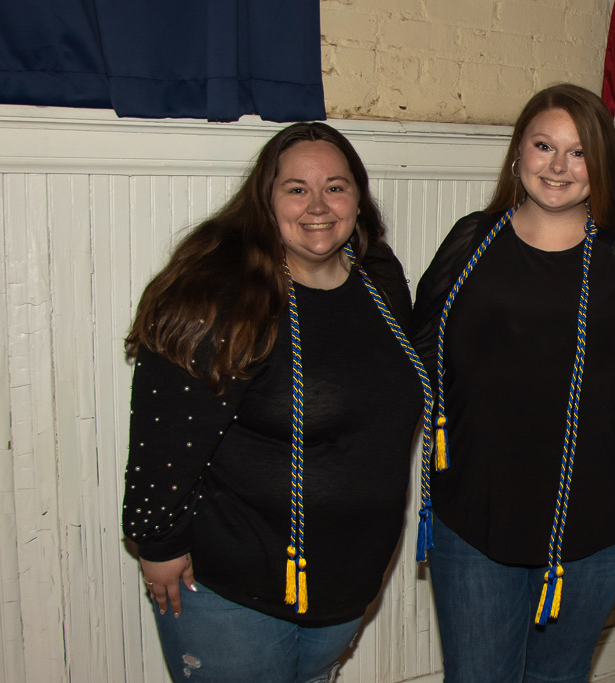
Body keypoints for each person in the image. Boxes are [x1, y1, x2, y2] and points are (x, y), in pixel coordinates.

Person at [122, 122, 429, 683]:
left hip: (348, 583)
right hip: (234, 591)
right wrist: (157, 542)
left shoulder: (379, 281)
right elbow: (164, 439)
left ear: (359, 199)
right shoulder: (218, 298)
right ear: (265, 201)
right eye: (295, 188)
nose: (317, 205)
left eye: (335, 187)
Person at [411, 84, 615, 683]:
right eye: (544, 146)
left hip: (598, 523)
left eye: (578, 152)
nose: (559, 167)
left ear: (600, 163)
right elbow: (411, 357)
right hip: (474, 517)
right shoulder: (472, 242)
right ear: (518, 154)